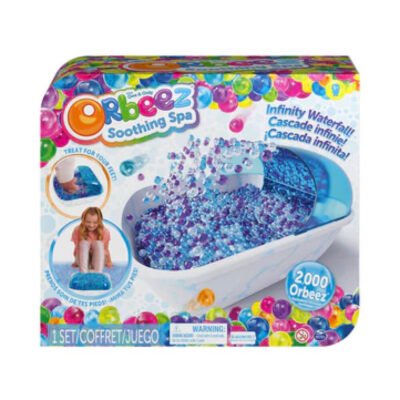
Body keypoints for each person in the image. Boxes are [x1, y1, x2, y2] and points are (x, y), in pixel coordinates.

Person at [71, 207, 112, 273]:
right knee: (83, 243)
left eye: (95, 222)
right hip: (83, 260)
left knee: (99, 243)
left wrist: (109, 261)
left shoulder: (105, 231)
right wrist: (76, 261)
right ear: (83, 220)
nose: (91, 225)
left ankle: (98, 273)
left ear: (99, 221)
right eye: (88, 222)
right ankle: (83, 273)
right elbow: (77, 248)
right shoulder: (77, 230)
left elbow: (105, 248)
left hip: (98, 258)